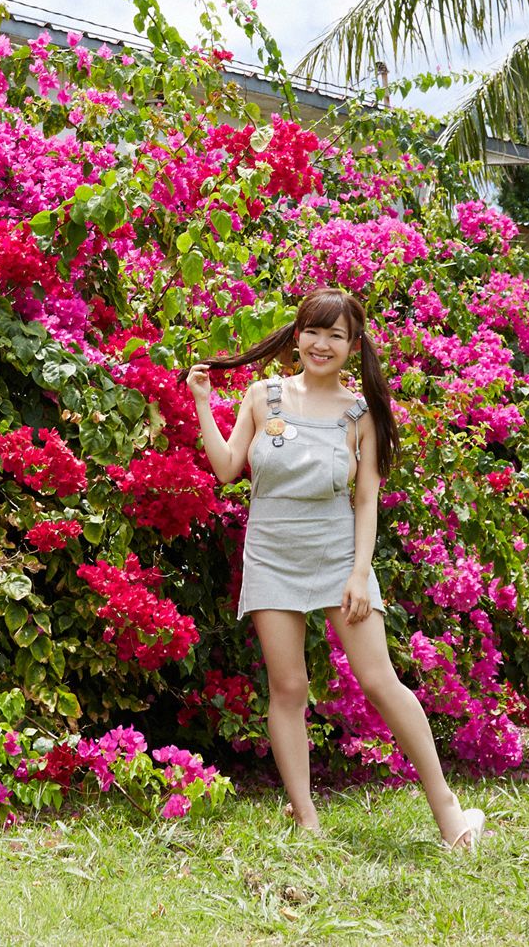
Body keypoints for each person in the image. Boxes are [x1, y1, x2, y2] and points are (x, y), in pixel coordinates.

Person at [187, 286, 485, 849]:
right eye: (313, 331)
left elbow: (366, 499)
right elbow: (227, 468)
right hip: (272, 554)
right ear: (296, 335)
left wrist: (358, 574)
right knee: (289, 686)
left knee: (379, 681)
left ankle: (451, 816)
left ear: (353, 345)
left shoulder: (360, 412)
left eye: (336, 335)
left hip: (338, 557)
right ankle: (307, 823)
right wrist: (203, 401)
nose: (322, 344)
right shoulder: (262, 395)